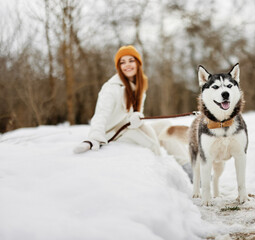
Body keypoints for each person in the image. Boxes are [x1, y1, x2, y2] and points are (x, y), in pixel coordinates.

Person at [73, 45, 192, 181]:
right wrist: (94, 136)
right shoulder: (111, 89)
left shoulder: (140, 86)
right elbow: (101, 115)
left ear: (138, 63)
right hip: (115, 133)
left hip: (131, 127)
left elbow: (137, 113)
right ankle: (159, 173)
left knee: (166, 126)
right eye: (122, 62)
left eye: (131, 60)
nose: (127, 65)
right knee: (152, 141)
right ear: (118, 67)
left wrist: (137, 117)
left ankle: (191, 170)